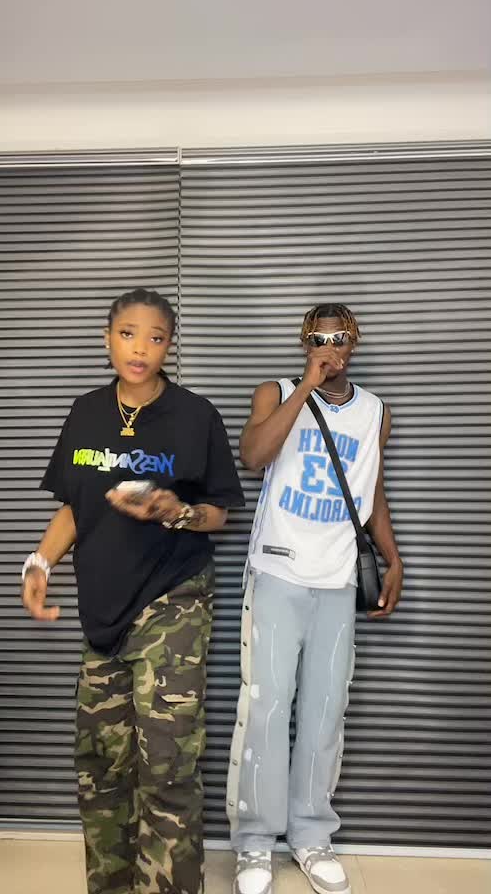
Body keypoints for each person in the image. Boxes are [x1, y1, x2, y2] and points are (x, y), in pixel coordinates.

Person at [21, 287, 244, 894]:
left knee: (167, 764)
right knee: (101, 764)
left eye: (155, 337)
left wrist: (176, 511)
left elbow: (220, 513)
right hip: (103, 608)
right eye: (127, 334)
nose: (140, 348)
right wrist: (39, 563)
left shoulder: (195, 416)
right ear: (107, 339)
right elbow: (75, 507)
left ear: (170, 346)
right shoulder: (85, 412)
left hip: (173, 599)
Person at [227, 303, 403, 894]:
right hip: (277, 573)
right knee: (267, 709)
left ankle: (311, 834)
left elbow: (371, 492)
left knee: (327, 712)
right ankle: (255, 842)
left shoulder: (375, 411)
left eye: (341, 337)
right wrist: (305, 384)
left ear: (355, 342)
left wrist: (393, 558)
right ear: (306, 342)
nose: (332, 346)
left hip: (337, 579)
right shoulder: (275, 391)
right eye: (320, 338)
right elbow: (254, 456)